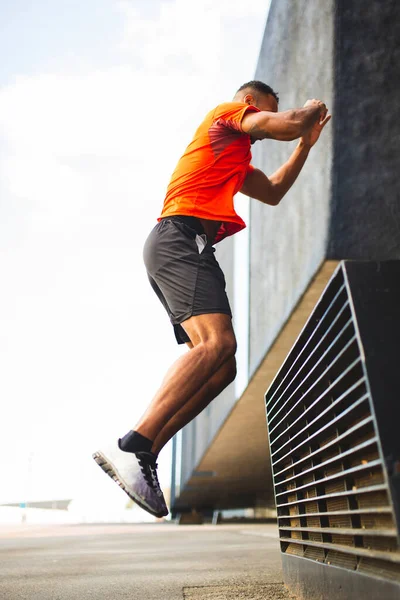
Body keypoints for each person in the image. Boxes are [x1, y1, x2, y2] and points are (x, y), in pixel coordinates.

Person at [93, 80, 331, 518]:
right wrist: (306, 115)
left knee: (223, 366)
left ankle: (145, 453)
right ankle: (133, 442)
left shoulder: (236, 162)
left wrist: (306, 145)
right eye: (263, 113)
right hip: (179, 238)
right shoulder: (226, 115)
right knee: (215, 345)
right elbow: (288, 123)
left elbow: (274, 192)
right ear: (249, 104)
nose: (261, 126)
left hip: (182, 244)